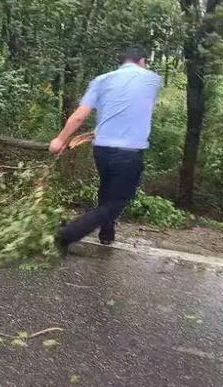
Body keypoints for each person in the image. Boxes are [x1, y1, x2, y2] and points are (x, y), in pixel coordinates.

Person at [49, 45, 163, 254]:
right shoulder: (153, 80)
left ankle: (107, 234)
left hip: (102, 149)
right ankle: (66, 234)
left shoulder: (102, 80)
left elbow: (80, 115)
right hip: (129, 153)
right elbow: (134, 107)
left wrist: (60, 140)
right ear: (142, 61)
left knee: (107, 190)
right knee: (118, 200)